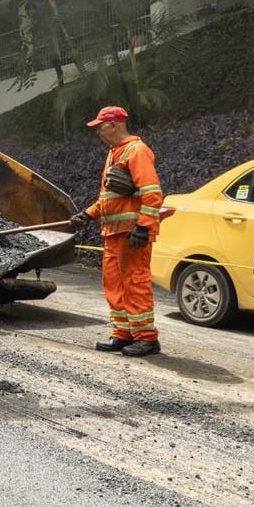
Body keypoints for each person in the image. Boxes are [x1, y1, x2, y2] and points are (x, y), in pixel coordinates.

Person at [69, 105, 165, 358]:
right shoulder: (114, 153)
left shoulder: (137, 151)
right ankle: (123, 333)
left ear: (113, 125)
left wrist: (143, 227)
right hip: (113, 232)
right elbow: (109, 198)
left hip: (132, 234)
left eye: (100, 126)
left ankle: (146, 338)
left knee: (134, 282)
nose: (98, 132)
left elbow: (152, 193)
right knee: (113, 284)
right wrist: (87, 215)